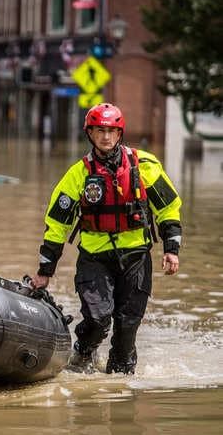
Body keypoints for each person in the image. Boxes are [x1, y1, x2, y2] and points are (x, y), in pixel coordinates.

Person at [31, 103, 182, 374]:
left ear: (119, 133)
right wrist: (45, 271)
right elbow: (56, 224)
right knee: (98, 320)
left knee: (127, 327)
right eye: (99, 130)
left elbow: (168, 208)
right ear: (89, 133)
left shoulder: (144, 166)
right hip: (95, 259)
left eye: (111, 131)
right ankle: (83, 352)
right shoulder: (78, 174)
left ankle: (119, 386)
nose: (105, 137)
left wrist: (172, 249)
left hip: (135, 257)